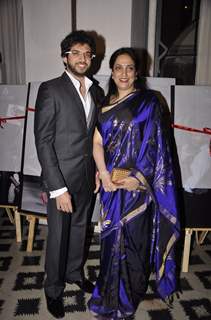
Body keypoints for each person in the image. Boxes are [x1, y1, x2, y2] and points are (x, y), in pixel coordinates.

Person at [88, 47, 180, 319]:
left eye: (129, 68)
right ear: (112, 72)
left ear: (137, 72)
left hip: (138, 186)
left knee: (133, 244)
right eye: (118, 67)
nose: (124, 73)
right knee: (109, 242)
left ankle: (129, 297)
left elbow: (156, 146)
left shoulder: (149, 102)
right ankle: (106, 294)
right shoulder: (104, 104)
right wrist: (103, 173)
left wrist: (136, 179)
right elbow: (96, 142)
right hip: (111, 185)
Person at [34, 30, 104, 319]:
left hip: (87, 176)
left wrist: (99, 172)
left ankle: (75, 273)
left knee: (79, 230)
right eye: (76, 52)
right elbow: (43, 140)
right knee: (58, 236)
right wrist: (58, 188)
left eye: (87, 53)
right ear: (65, 57)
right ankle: (53, 289)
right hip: (60, 179)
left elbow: (96, 136)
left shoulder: (97, 90)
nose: (82, 58)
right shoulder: (50, 89)